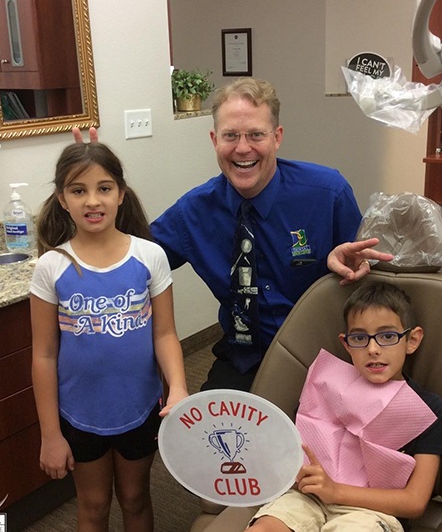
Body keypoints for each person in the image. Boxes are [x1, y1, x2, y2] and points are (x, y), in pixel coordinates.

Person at [73, 77, 392, 392]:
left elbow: (371, 286)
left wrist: (353, 267)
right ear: (214, 140)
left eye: (256, 134)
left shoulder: (327, 194)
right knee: (205, 436)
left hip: (326, 355)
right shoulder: (193, 212)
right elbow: (127, 258)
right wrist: (96, 189)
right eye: (230, 136)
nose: (242, 148)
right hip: (245, 357)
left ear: (277, 137)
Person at [30, 142, 188, 532]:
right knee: (94, 505)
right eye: (78, 190)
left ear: (120, 193)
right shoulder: (52, 267)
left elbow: (165, 334)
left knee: (135, 499)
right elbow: (44, 355)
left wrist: (179, 387)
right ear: (62, 199)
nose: (93, 200)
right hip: (79, 414)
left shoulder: (149, 256)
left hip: (139, 408)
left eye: (104, 188)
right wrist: (50, 434)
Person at [231, 281, 442, 532]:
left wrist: (336, 491)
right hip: (307, 498)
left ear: (412, 339)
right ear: (346, 344)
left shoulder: (427, 409)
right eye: (360, 338)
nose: (373, 349)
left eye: (387, 336)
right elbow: (292, 452)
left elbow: (415, 502)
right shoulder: (323, 388)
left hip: (371, 513)